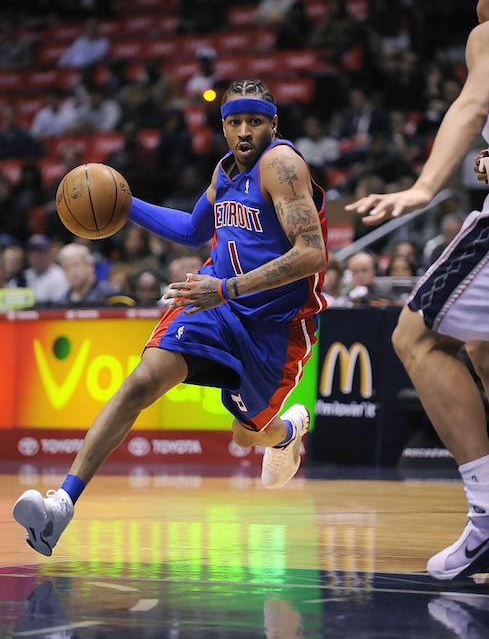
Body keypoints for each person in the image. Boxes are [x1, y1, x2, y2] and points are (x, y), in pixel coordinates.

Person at [12, 78, 328, 556]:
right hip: (213, 307)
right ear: (223, 127)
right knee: (142, 381)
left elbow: (312, 254)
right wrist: (123, 203)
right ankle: (62, 504)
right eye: (235, 122)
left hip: (275, 327)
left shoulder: (281, 166)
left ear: (273, 124)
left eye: (255, 121)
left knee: (247, 434)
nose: (245, 131)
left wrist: (224, 288)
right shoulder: (224, 172)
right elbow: (191, 230)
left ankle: (287, 433)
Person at [344, 0, 489, 581]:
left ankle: (487, 517)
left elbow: (470, 106)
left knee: (417, 334)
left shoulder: (488, 32)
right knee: (482, 349)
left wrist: (425, 186)